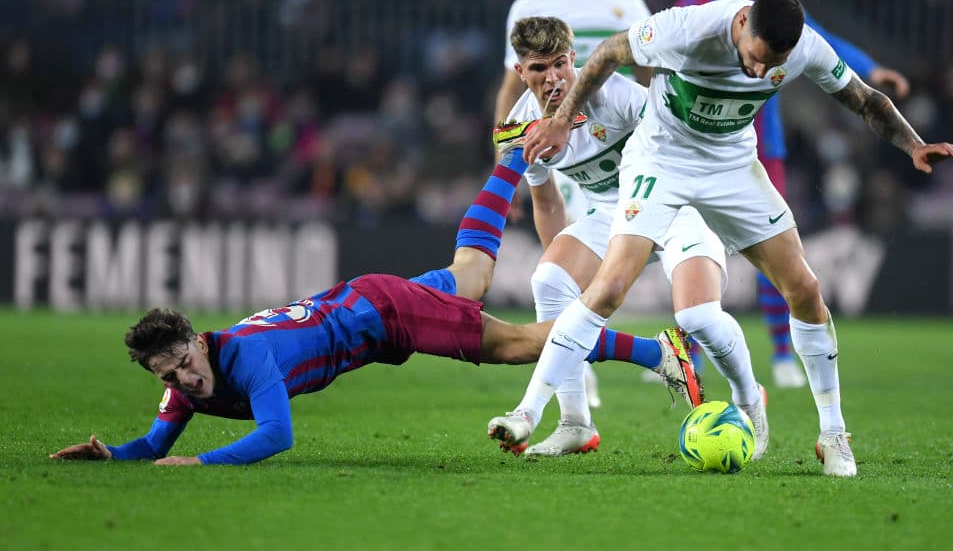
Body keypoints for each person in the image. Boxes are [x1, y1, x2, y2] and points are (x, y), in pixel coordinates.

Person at [490, 0, 953, 477]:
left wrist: (914, 145)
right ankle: (532, 413)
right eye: (755, 58)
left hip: (733, 168)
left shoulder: (804, 48)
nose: (759, 73)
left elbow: (865, 99)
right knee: (605, 289)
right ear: (741, 25)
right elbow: (609, 51)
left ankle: (832, 432)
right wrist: (565, 120)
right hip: (662, 164)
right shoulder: (685, 30)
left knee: (802, 289)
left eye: (772, 66)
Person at [49, 148, 697, 466]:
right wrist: (115, 454)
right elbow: (155, 441)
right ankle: (514, 157)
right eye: (170, 375)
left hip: (380, 313)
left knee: (519, 343)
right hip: (358, 308)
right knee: (470, 273)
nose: (184, 379)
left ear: (196, 338)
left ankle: (653, 350)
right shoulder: (186, 385)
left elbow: (277, 433)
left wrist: (200, 461)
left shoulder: (242, 357)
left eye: (184, 362)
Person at [495, 15, 765, 457]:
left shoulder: (615, 94)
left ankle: (749, 397)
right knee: (548, 281)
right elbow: (546, 204)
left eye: (560, 63)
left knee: (698, 317)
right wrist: (571, 286)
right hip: (613, 214)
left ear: (573, 59)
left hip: (680, 204)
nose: (554, 77)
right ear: (521, 72)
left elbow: (680, 139)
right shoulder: (523, 126)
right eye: (539, 68)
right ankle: (575, 422)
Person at [674, 0, 912, 389]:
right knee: (695, 251)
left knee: (773, 252)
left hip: (763, 148)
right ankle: (692, 359)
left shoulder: (772, 6)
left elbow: (824, 43)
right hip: (698, 151)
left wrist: (870, 68)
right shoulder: (690, 6)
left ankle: (782, 353)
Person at [493, 0, 653, 411]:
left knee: (643, 261)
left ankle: (698, 355)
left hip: (619, 135)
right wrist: (506, 162)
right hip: (563, 154)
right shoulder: (527, 5)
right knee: (557, 273)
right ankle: (575, 380)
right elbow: (510, 87)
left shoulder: (626, 3)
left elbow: (647, 75)